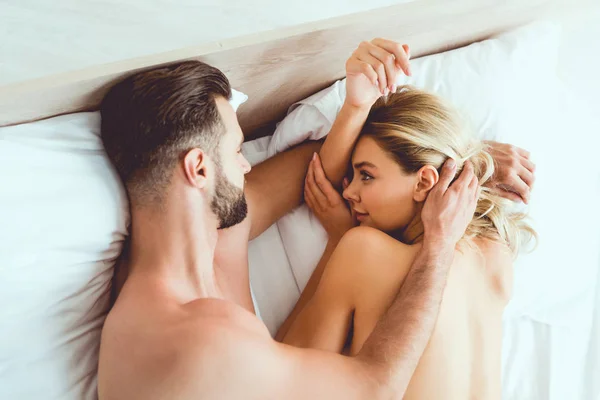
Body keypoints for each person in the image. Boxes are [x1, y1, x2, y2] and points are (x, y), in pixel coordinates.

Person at [97, 38, 533, 399]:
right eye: (236, 152)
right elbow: (374, 387)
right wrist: (435, 243)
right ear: (199, 168)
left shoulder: (222, 230)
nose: (247, 164)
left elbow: (319, 173)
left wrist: (453, 156)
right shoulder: (196, 338)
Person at [276, 40, 537, 400]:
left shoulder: (364, 252)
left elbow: (283, 378)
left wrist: (338, 241)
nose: (349, 193)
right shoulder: (495, 256)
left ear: (426, 181)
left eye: (366, 175)